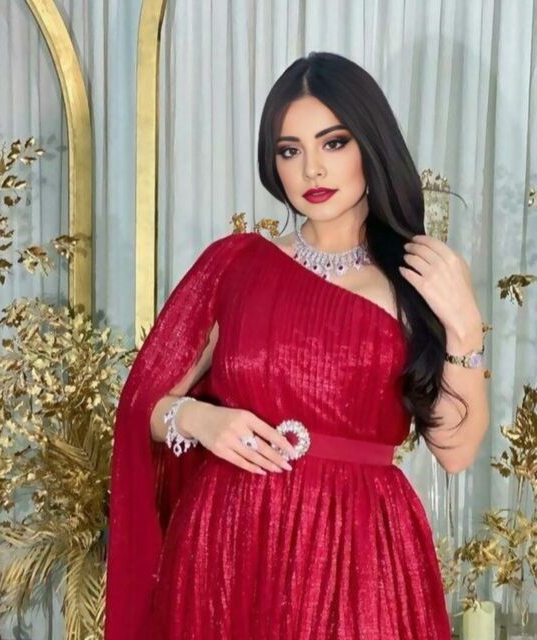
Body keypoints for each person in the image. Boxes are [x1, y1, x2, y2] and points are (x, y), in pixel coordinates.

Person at [104, 51, 489, 639]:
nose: (312, 169)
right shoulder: (235, 266)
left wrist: (465, 329)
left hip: (360, 556)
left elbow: (456, 452)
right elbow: (142, 406)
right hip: (227, 548)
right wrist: (200, 419)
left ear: (370, 144)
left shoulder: (418, 280)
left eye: (333, 143)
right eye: (290, 150)